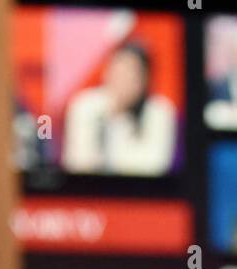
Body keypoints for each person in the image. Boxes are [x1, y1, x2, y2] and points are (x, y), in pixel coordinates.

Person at [62, 40, 178, 177]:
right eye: (117, 71)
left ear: (145, 79)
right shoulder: (84, 106)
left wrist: (120, 123)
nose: (122, 80)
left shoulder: (160, 112)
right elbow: (78, 164)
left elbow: (155, 167)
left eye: (131, 73)